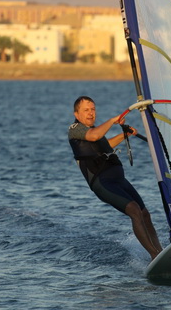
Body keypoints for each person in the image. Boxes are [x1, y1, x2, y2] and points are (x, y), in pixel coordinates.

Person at [68, 96, 163, 260]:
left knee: (145, 213)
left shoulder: (95, 129)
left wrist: (124, 135)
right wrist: (113, 120)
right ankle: (154, 255)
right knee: (134, 210)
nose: (90, 113)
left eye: (93, 109)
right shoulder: (75, 129)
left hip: (119, 180)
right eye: (86, 110)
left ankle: (161, 252)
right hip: (102, 182)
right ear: (77, 114)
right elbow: (93, 137)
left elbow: (106, 144)